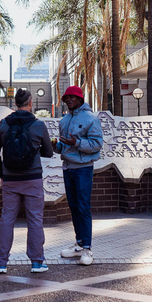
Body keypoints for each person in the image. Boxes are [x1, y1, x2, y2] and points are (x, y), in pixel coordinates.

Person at [0, 89, 54, 274]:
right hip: (32, 178)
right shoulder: (38, 125)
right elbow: (49, 152)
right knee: (35, 219)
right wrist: (35, 150)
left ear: (16, 103)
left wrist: (2, 173)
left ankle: (1, 263)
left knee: (7, 219)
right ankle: (36, 262)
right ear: (30, 102)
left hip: (10, 180)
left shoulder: (3, 124)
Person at [55, 85, 102, 266]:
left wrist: (77, 142)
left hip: (83, 168)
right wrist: (56, 147)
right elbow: (64, 146)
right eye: (66, 97)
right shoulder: (64, 121)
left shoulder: (91, 119)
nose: (68, 100)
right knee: (74, 207)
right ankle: (79, 244)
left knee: (83, 207)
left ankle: (88, 249)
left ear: (80, 99)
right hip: (68, 168)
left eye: (72, 97)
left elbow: (97, 144)